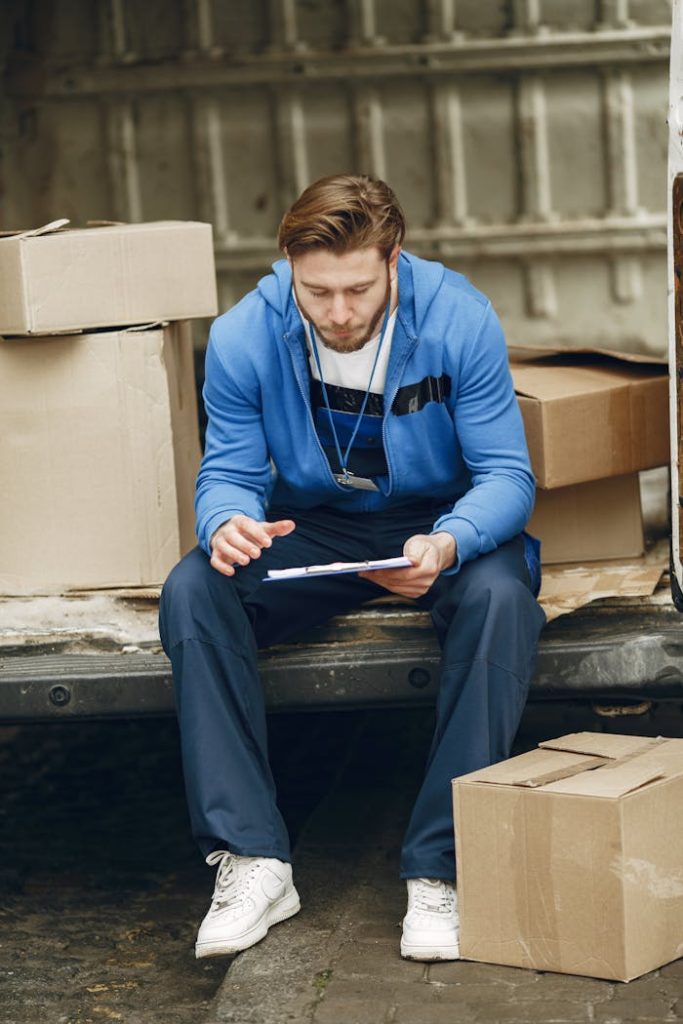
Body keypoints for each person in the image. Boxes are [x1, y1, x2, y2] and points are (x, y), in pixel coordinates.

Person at [159, 174, 546, 963]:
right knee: (195, 586)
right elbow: (227, 469)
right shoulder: (243, 334)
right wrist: (224, 521)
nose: (337, 313)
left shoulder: (457, 317)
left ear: (393, 262)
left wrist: (448, 543)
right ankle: (254, 858)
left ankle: (442, 867)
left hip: (439, 524)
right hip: (317, 525)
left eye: (357, 290)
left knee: (503, 599)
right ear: (289, 268)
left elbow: (507, 475)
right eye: (316, 291)